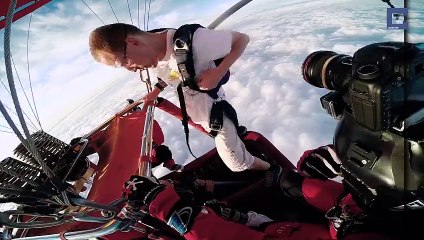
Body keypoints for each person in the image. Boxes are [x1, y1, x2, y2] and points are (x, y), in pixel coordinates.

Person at [88, 23, 271, 173]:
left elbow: (241, 39)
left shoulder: (196, 42)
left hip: (216, 114)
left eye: (124, 62)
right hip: (199, 111)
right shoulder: (156, 54)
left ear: (132, 42)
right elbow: (173, 72)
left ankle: (272, 169)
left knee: (236, 163)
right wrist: (157, 89)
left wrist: (218, 72)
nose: (131, 69)